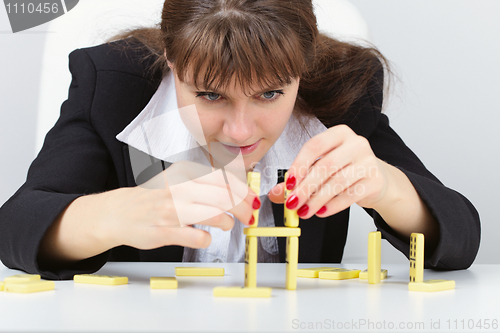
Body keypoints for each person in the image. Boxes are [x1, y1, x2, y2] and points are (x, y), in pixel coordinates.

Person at [0, 0, 480, 280]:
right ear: (170, 58)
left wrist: (387, 188)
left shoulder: (344, 92)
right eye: (210, 95)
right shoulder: (113, 83)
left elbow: (461, 241)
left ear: (305, 66)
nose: (241, 131)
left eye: (271, 93)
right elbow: (14, 229)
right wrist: (118, 214)